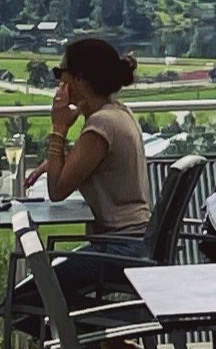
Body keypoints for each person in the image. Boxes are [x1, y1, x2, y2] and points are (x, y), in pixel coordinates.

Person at [31, 36, 153, 308]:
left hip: (119, 247)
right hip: (137, 241)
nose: (57, 82)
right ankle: (101, 342)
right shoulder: (119, 113)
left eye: (60, 73)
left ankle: (102, 342)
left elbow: (57, 190)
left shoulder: (101, 125)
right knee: (45, 289)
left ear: (80, 79)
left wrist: (59, 129)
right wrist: (58, 159)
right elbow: (89, 164)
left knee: (29, 295)